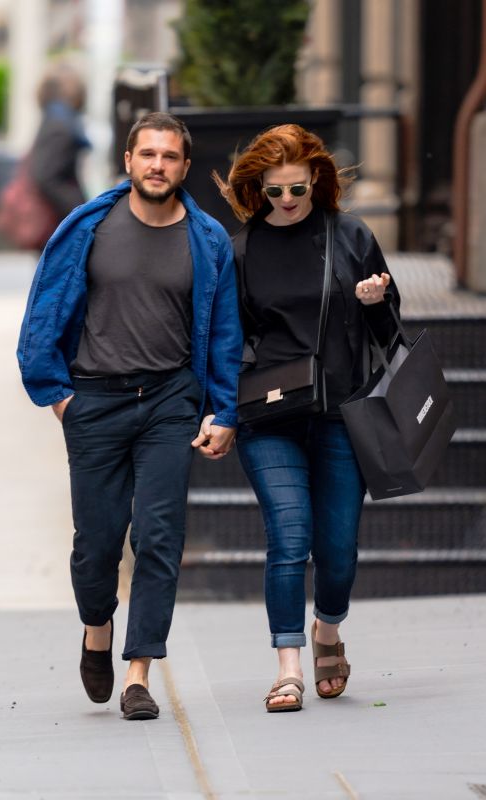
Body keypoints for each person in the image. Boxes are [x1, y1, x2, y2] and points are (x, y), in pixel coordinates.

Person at [17, 112, 243, 720]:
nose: (158, 165)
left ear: (185, 167)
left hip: (169, 401)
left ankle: (139, 672)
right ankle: (97, 630)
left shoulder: (208, 239)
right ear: (128, 160)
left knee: (159, 536)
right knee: (96, 545)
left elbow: (224, 331)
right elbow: (45, 307)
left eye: (170, 157)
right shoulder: (89, 226)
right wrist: (58, 394)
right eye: (148, 154)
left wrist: (224, 408)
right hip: (94, 400)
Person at [211, 124, 400, 712]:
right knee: (289, 538)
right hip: (270, 418)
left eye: (297, 188)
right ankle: (288, 667)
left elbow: (391, 340)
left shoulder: (351, 237)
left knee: (338, 549)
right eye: (274, 192)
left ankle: (329, 631)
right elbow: (224, 339)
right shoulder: (240, 251)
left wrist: (376, 303)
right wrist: (225, 408)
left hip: (342, 412)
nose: (287, 201)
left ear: (316, 180)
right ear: (256, 191)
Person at [29, 62, 90, 242]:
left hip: (56, 219)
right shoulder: (61, 125)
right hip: (57, 221)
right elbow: (46, 176)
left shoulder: (55, 118)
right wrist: (78, 208)